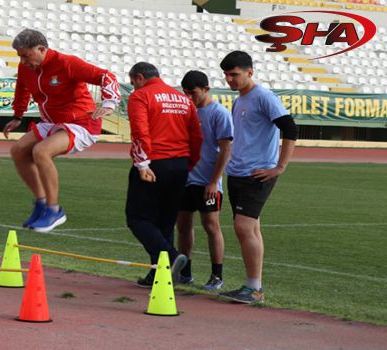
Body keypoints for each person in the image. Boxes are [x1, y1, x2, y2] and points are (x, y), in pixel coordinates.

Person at [2, 29, 121, 233]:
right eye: (19, 56)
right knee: (18, 150)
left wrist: (110, 102)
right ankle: (41, 203)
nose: (22, 61)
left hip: (81, 123)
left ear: (41, 49)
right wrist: (17, 116)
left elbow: (105, 76)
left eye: (25, 55)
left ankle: (54, 209)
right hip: (52, 122)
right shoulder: (26, 68)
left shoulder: (66, 63)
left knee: (41, 151)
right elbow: (22, 88)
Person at [217, 51, 297, 303]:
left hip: (258, 173)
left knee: (242, 227)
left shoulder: (263, 97)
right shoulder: (240, 100)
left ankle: (254, 288)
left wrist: (279, 167)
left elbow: (290, 128)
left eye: (235, 74)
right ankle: (253, 286)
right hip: (238, 172)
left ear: (250, 72)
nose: (230, 79)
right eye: (227, 75)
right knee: (251, 227)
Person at [124, 62, 203, 287]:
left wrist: (142, 164)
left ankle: (171, 255)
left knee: (137, 218)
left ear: (140, 77)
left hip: (153, 162)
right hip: (179, 165)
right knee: (165, 222)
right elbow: (196, 136)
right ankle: (159, 274)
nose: (133, 88)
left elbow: (140, 131)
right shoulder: (183, 99)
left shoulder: (141, 97)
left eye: (132, 83)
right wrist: (188, 164)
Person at [176, 70, 233, 291]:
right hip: (186, 180)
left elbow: (226, 149)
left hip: (208, 182)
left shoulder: (219, 113)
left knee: (211, 226)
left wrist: (213, 181)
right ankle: (185, 272)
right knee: (182, 225)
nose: (190, 97)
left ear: (206, 89)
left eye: (194, 93)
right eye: (186, 93)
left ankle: (217, 275)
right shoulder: (185, 112)